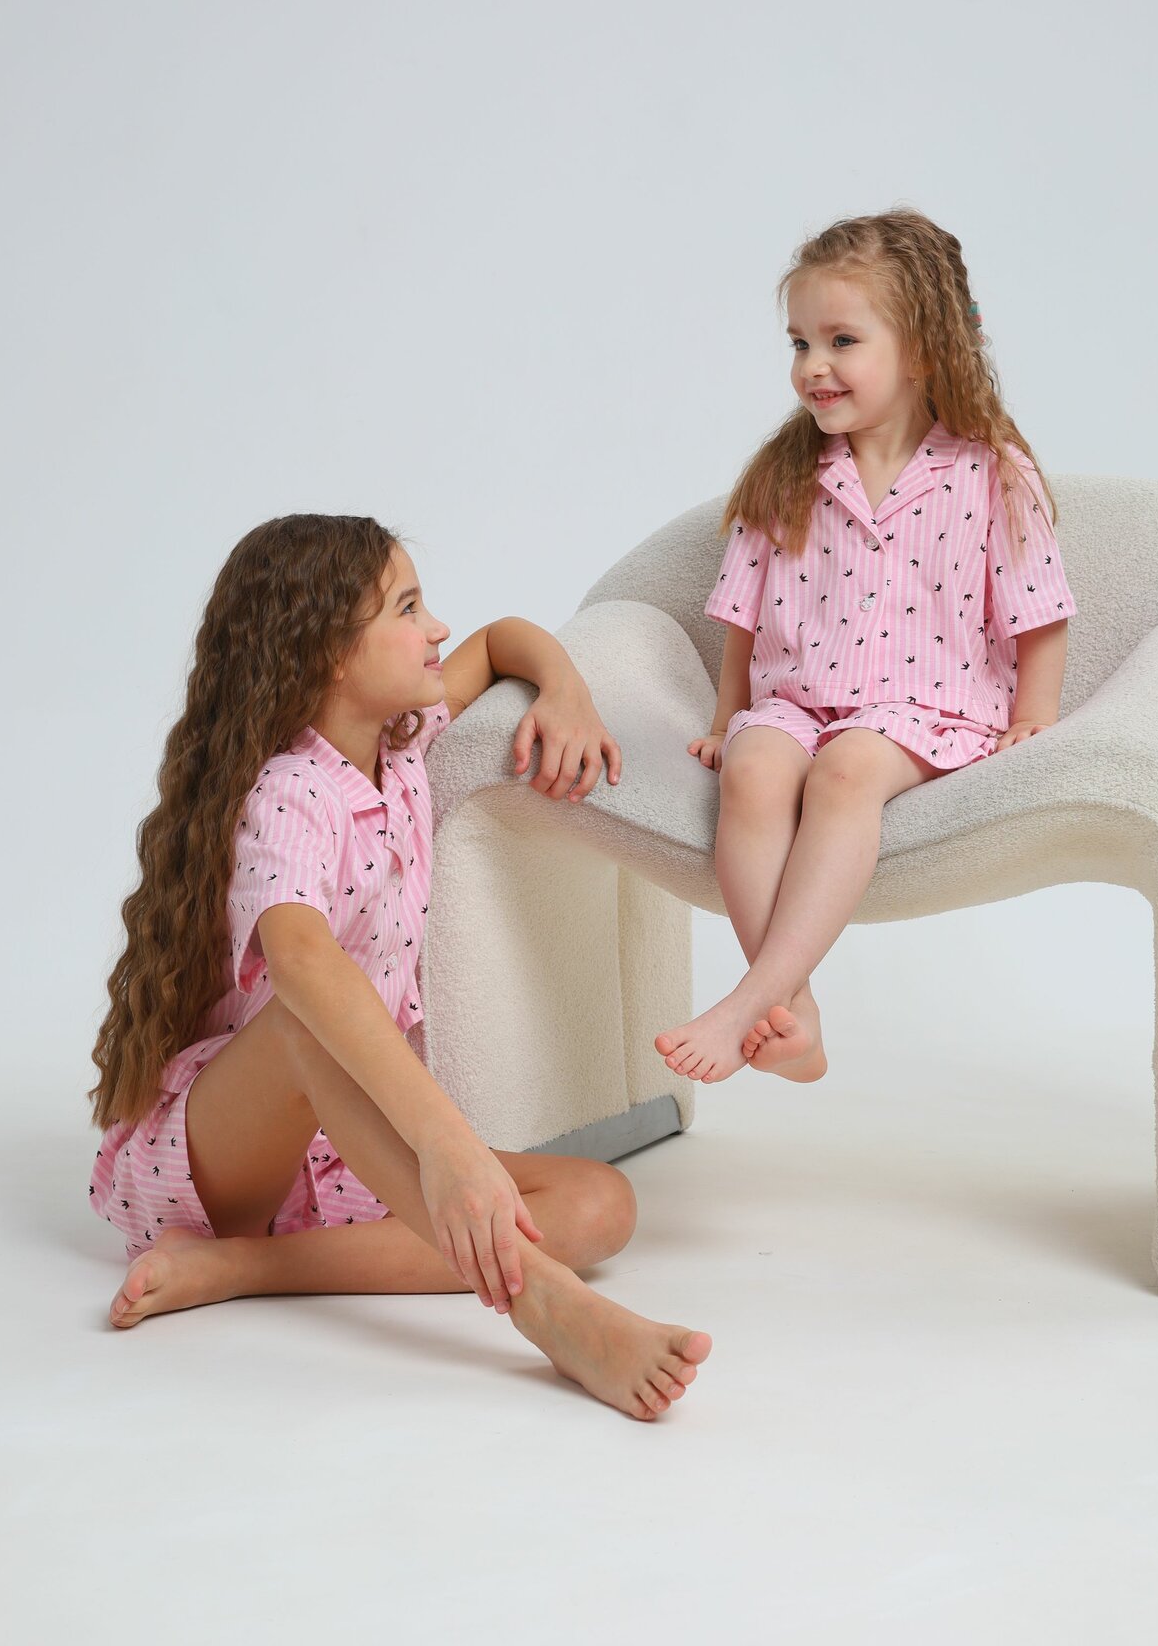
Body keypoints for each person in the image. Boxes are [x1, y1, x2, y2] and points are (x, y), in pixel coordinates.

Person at [90, 514, 711, 1421]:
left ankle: (243, 1269)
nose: (436, 628)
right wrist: (450, 1151)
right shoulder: (288, 793)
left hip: (340, 1150)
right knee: (303, 1019)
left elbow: (500, 639)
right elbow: (299, 956)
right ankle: (544, 1307)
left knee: (598, 1205)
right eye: (407, 609)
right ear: (330, 653)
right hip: (218, 1157)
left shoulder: (401, 743)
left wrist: (565, 690)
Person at [655, 209, 1078, 1086]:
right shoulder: (786, 476)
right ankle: (796, 1013)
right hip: (795, 700)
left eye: (841, 341)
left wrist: (1033, 714)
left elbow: (1038, 609)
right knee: (753, 771)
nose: (812, 365)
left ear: (921, 348)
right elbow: (741, 615)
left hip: (929, 710)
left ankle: (749, 1001)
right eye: (799, 343)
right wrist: (729, 717)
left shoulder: (990, 469)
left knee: (846, 771)